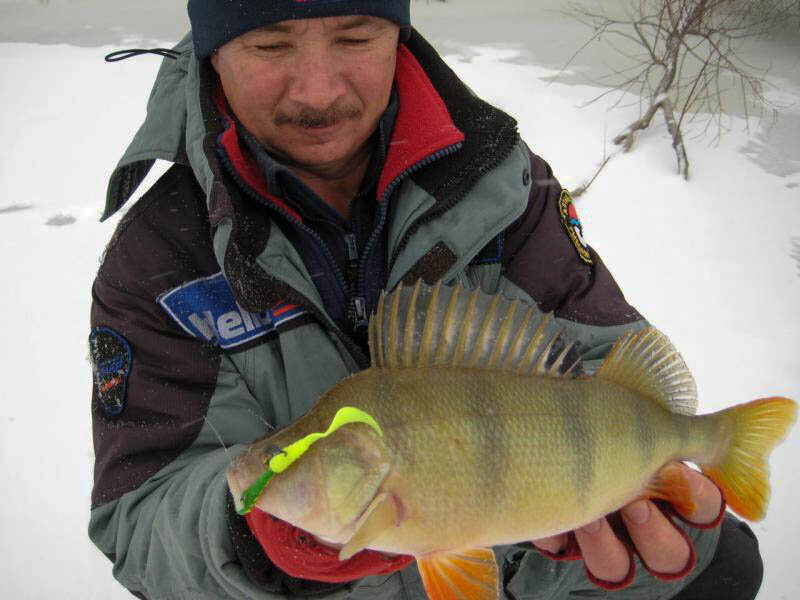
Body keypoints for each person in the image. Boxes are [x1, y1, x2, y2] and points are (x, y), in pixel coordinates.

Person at [88, 1, 763, 598]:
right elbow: (139, 525)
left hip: (529, 561)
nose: (318, 89)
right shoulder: (160, 259)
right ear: (212, 50)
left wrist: (629, 508)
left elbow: (613, 366)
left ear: (398, 36)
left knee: (721, 562)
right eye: (270, 44)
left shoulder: (504, 189)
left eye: (355, 37)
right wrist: (249, 546)